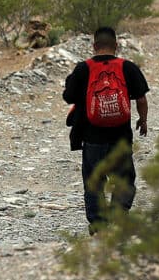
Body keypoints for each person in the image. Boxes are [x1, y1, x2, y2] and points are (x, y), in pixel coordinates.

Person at [63, 27, 149, 234]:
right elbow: (141, 99)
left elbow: (68, 97)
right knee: (124, 179)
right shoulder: (128, 67)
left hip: (92, 137)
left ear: (94, 46)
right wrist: (143, 120)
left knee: (94, 181)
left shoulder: (83, 68)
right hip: (120, 137)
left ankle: (99, 225)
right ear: (116, 46)